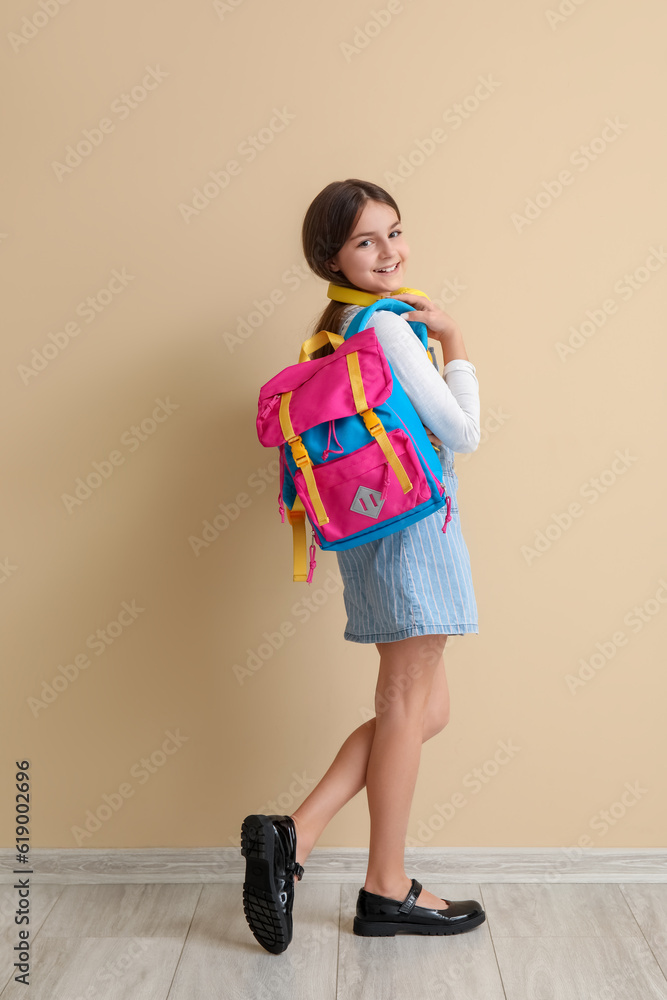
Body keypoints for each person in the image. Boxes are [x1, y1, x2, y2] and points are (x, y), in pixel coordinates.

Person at [241, 179, 485, 954]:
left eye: (393, 233)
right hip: (416, 531)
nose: (388, 252)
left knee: (419, 714)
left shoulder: (335, 330)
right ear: (332, 257)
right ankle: (385, 886)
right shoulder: (385, 330)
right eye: (365, 242)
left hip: (376, 535)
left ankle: (297, 833)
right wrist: (456, 343)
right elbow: (462, 433)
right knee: (408, 706)